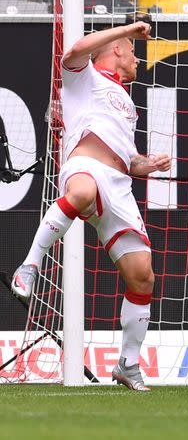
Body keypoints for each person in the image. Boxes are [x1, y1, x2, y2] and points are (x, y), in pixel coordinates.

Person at [11, 21, 169, 391]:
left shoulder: (127, 103)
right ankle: (29, 266)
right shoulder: (84, 79)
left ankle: (128, 364)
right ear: (116, 49)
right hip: (83, 168)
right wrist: (126, 29)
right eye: (133, 51)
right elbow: (73, 52)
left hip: (119, 186)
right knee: (81, 191)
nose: (138, 60)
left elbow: (129, 162)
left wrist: (151, 163)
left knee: (142, 276)